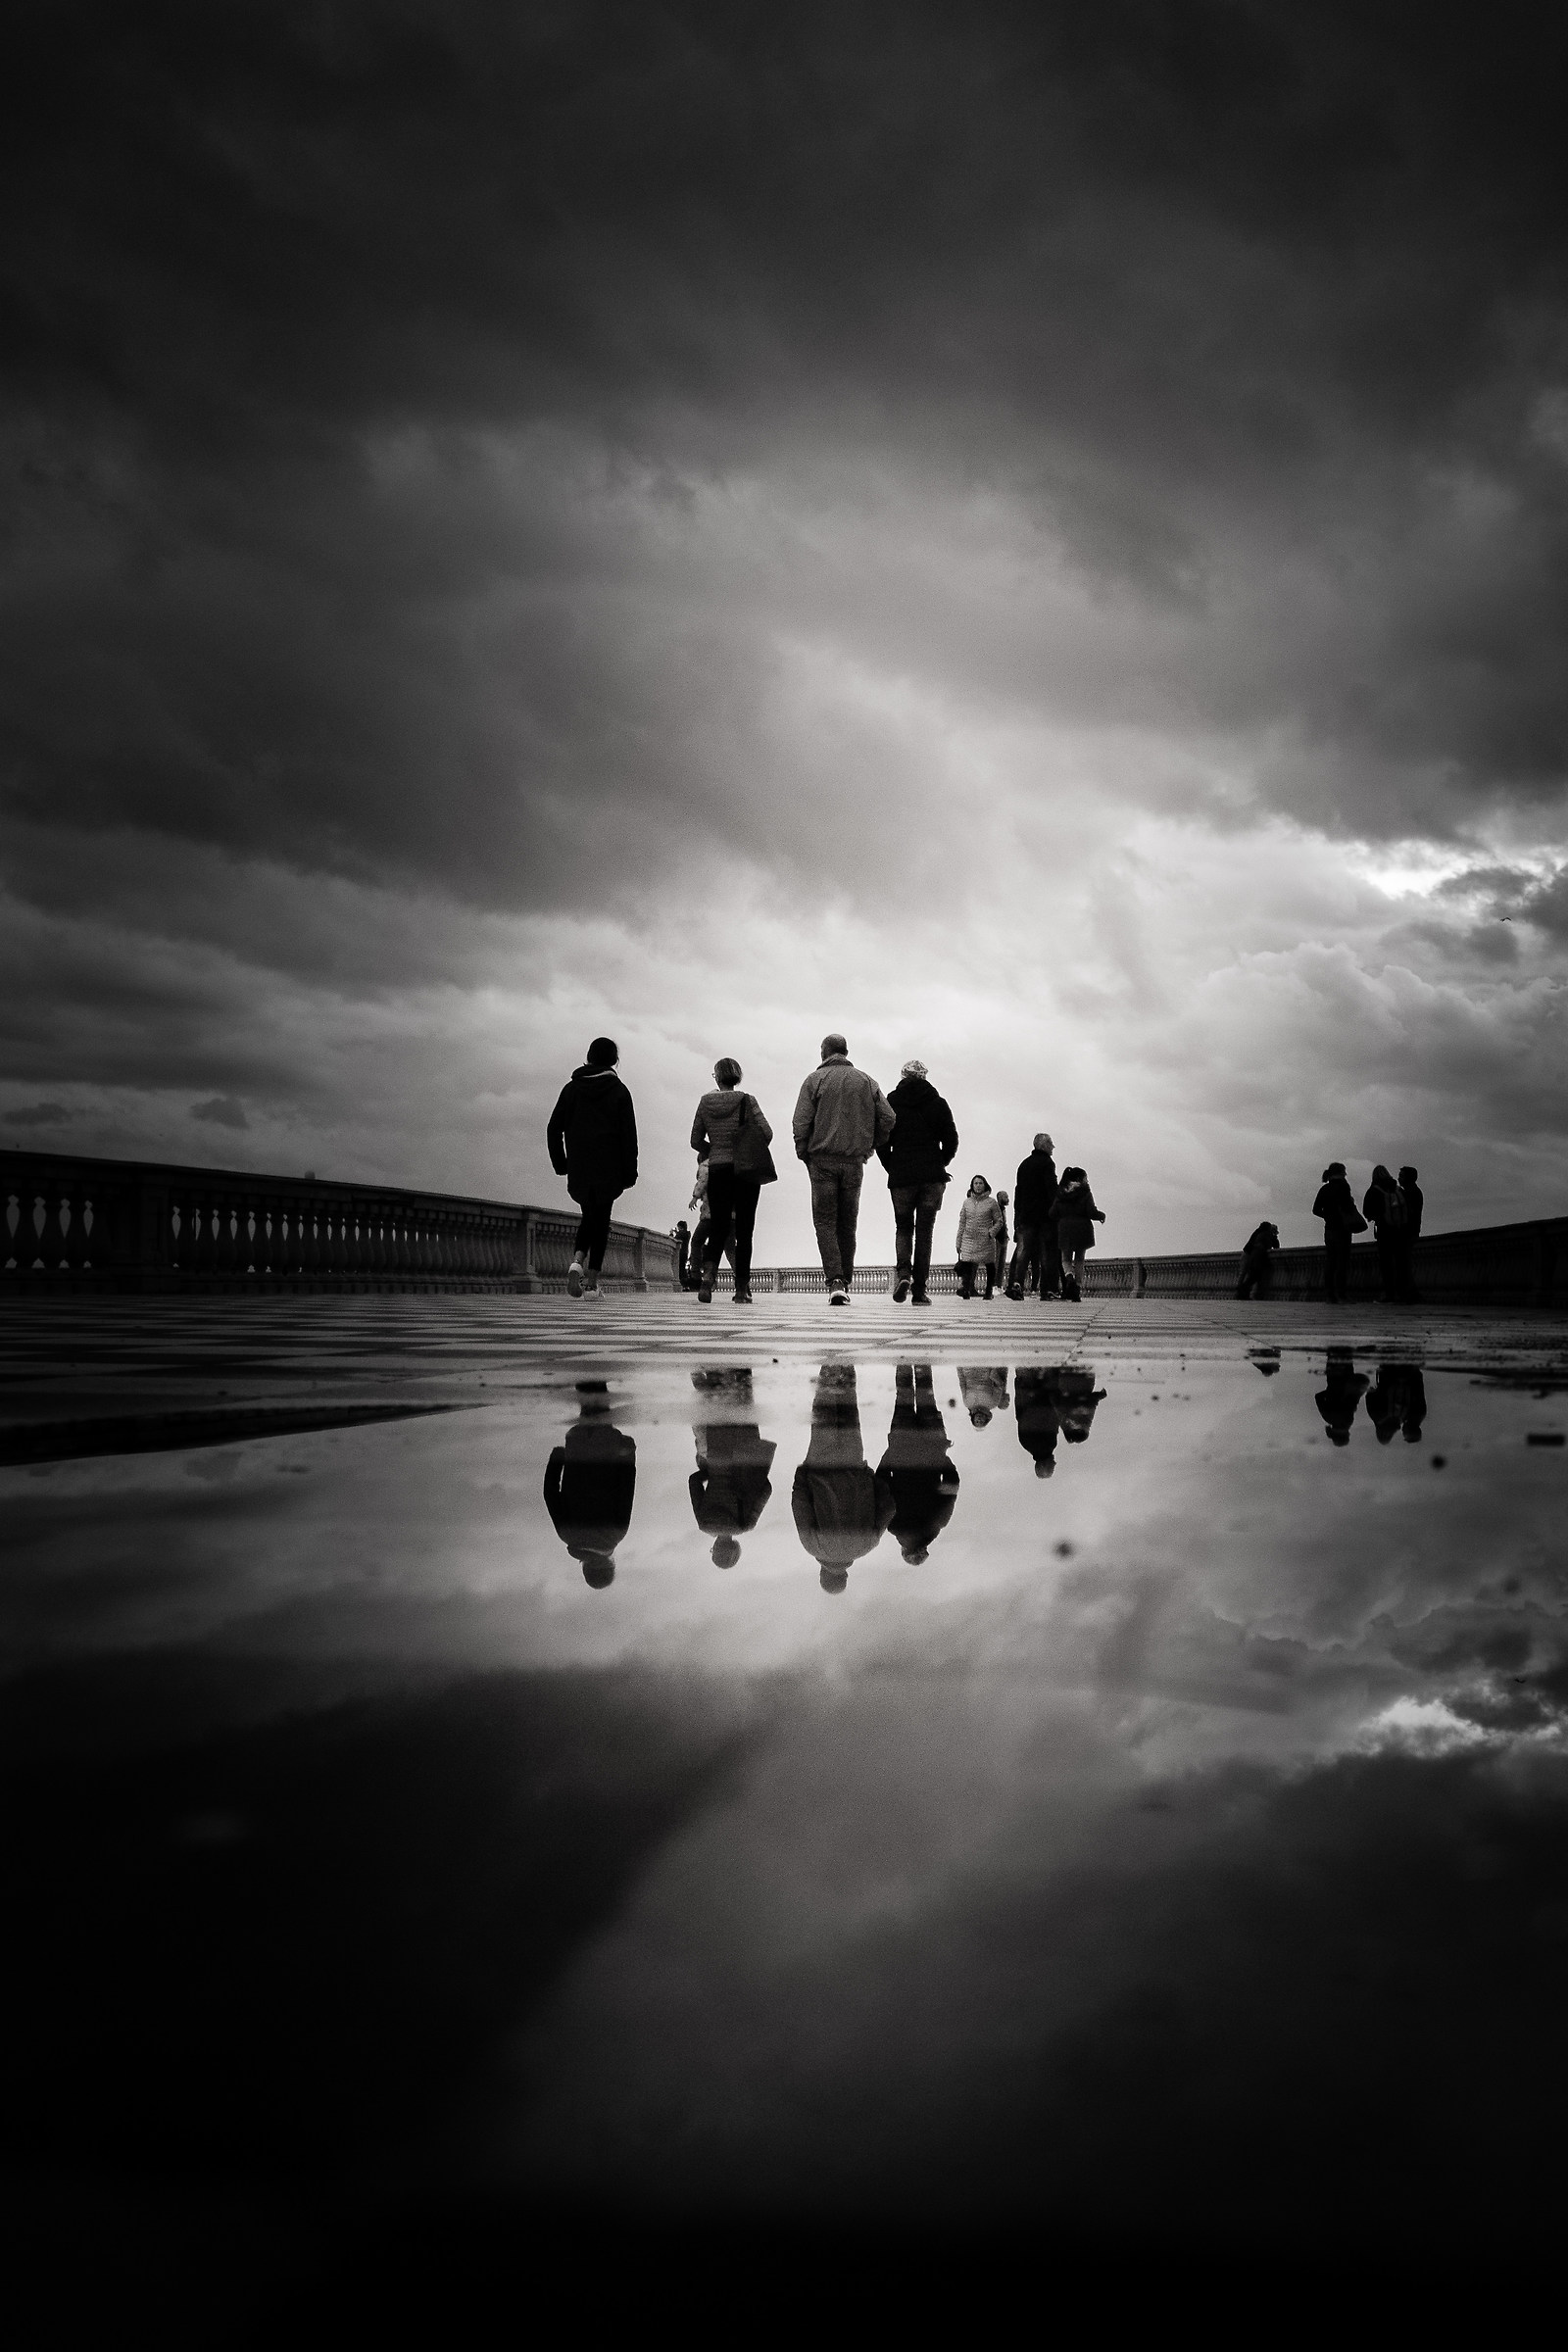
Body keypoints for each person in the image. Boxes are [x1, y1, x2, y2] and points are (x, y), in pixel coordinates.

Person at [792, 1035, 896, 1306]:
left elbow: (801, 1122)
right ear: (846, 1052)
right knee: (848, 1224)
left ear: (824, 1052)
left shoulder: (814, 1080)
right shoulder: (866, 1081)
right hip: (853, 1162)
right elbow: (888, 1117)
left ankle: (836, 1281)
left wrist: (804, 1152)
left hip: (822, 1160)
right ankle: (845, 1282)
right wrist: (870, 1145)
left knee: (825, 1222)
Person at [547, 1036, 638, 1298]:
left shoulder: (571, 1089)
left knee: (589, 1214)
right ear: (614, 1060)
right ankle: (592, 1282)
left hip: (580, 1166)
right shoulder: (620, 1091)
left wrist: (561, 1162)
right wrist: (629, 1172)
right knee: (601, 1219)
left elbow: (553, 1128)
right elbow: (629, 1136)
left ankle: (577, 1262)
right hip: (610, 1167)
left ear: (589, 1057)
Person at [791, 1364, 894, 1592]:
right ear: (823, 1575)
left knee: (849, 1414)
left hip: (853, 1466)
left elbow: (888, 1507)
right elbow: (800, 1504)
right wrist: (802, 1475)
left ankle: (846, 1368)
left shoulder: (866, 1545)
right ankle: (829, 1369)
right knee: (824, 1415)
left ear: (845, 1575)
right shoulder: (813, 1546)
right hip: (820, 1468)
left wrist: (870, 1479)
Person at [690, 1057, 775, 1305]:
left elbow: (695, 1140)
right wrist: (745, 1147)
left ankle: (707, 1279)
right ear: (737, 1076)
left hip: (718, 1170)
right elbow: (767, 1133)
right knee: (745, 1230)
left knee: (718, 1227)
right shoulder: (747, 1100)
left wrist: (715, 1150)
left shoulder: (705, 1102)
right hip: (745, 1171)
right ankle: (741, 1289)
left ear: (717, 1077)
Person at [876, 1057, 957, 1305]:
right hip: (931, 1176)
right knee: (925, 1233)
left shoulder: (891, 1103)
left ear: (903, 1076)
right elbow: (951, 1140)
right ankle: (919, 1291)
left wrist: (892, 1166)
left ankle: (904, 1274)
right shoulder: (938, 1102)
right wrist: (940, 1162)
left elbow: (881, 1140)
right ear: (924, 1076)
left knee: (903, 1228)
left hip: (902, 1176)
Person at [542, 1383, 636, 1587]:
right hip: (578, 1452)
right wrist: (557, 1459)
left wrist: (629, 1454)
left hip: (607, 1456)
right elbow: (550, 1493)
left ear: (610, 1565)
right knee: (587, 1412)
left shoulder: (616, 1534)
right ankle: (586, 1381)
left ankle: (594, 1378)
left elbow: (626, 1489)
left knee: (600, 1411)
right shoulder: (567, 1535)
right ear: (586, 1568)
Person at [688, 1368, 775, 1566]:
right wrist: (712, 1473)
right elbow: (694, 1481)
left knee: (744, 1410)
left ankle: (742, 1373)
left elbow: (767, 1489)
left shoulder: (745, 1525)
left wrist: (754, 1478)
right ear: (716, 1547)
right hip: (718, 1455)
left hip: (746, 1455)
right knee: (719, 1410)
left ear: (735, 1550)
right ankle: (714, 1373)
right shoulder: (704, 1523)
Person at [877, 1363, 959, 1563]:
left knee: (926, 1395)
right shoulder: (892, 1525)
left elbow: (951, 1485)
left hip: (932, 1446)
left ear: (924, 1549)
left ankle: (922, 1361)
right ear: (904, 1550)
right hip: (901, 1447)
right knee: (903, 1397)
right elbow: (881, 1484)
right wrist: (889, 1455)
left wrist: (943, 1458)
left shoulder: (937, 1523)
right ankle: (904, 1362)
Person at [1006, 1133, 1059, 1299]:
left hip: (1025, 1216)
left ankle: (1017, 1284)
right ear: (1044, 1145)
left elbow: (1018, 1192)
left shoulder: (1024, 1164)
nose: (1053, 1147)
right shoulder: (1048, 1163)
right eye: (1051, 1143)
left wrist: (1017, 1217)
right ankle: (1046, 1290)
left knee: (1023, 1252)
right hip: (1044, 1217)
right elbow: (1051, 1190)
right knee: (1045, 1254)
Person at [1312, 1162, 1362, 1302]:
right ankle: (1341, 1294)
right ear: (1340, 1173)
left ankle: (1330, 1294)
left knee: (1331, 1261)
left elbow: (1315, 1210)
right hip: (1342, 1228)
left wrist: (1328, 1216)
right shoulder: (1343, 1186)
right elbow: (1348, 1206)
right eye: (1344, 1172)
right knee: (1342, 1262)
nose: (1346, 1174)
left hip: (1329, 1229)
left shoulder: (1324, 1189)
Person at [1054, 1165, 1104, 1301]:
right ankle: (1077, 1286)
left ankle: (1069, 1276)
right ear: (1079, 1179)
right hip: (1082, 1229)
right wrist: (1101, 1215)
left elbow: (1053, 1212)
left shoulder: (1061, 1193)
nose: (1087, 1181)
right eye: (1085, 1178)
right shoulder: (1085, 1192)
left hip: (1065, 1228)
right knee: (1079, 1259)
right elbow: (1091, 1212)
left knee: (1065, 1259)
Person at [1362, 1162, 1407, 1302]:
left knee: (1386, 1263)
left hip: (1384, 1230)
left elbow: (1366, 1211)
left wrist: (1376, 1217)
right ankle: (1403, 1293)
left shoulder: (1374, 1190)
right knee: (1401, 1262)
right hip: (1400, 1230)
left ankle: (1389, 1294)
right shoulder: (1397, 1189)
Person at [955, 1175, 1005, 1298]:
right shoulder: (967, 1202)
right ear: (972, 1186)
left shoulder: (991, 1202)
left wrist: (991, 1233)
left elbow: (999, 1221)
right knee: (967, 1264)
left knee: (989, 1265)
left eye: (980, 1183)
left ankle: (988, 1292)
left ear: (985, 1185)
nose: (978, 1186)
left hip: (985, 1239)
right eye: (976, 1183)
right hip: (968, 1238)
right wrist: (958, 1241)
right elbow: (962, 1223)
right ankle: (966, 1290)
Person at [1364, 1360, 1427, 1446]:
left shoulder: (1409, 1416)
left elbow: (1418, 1390)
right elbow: (1370, 1395)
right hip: (1388, 1375)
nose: (1402, 1430)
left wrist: (1416, 1373)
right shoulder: (1378, 1417)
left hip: (1406, 1375)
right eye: (1405, 1432)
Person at [1014, 1366, 1062, 1477]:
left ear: (1045, 1465)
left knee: (1048, 1360)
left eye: (1052, 1466)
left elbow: (1051, 1418)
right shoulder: (1026, 1445)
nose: (1054, 1463)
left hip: (1041, 1392)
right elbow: (1021, 1416)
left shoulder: (1049, 1445)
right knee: (1024, 1361)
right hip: (1026, 1390)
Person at [1314, 1348, 1368, 1446]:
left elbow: (1352, 1401)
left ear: (1346, 1434)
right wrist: (1330, 1391)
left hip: (1348, 1382)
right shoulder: (1328, 1418)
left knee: (1347, 1355)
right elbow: (1318, 1397)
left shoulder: (1348, 1420)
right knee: (1333, 1354)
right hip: (1333, 1380)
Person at [1396, 1165, 1424, 1302]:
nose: (1399, 1178)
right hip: (1411, 1231)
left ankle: (1411, 1293)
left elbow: (1409, 1213)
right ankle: (1410, 1293)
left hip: (1408, 1232)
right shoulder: (1415, 1192)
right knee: (1405, 1264)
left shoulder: (1410, 1193)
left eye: (1401, 1176)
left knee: (1405, 1264)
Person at [1235, 1220, 1280, 1299]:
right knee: (1250, 1276)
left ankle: (1241, 1293)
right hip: (1253, 1257)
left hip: (1252, 1256)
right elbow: (1276, 1246)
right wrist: (1274, 1236)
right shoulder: (1264, 1235)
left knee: (1248, 1275)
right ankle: (1241, 1293)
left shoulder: (1259, 1233)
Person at [992, 1189, 1010, 1298]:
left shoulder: (1003, 1210)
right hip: (997, 1239)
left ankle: (999, 1285)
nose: (1008, 1199)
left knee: (1001, 1264)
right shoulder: (996, 1210)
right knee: (996, 1263)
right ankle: (994, 1285)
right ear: (999, 1198)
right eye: (1005, 1197)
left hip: (1004, 1238)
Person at [671, 1219, 692, 1292]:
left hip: (680, 1252)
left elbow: (674, 1239)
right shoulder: (687, 1233)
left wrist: (671, 1234)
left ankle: (682, 1285)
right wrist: (677, 1232)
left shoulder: (680, 1234)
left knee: (680, 1269)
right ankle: (686, 1285)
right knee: (683, 1269)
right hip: (685, 1252)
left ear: (680, 1227)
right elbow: (681, 1236)